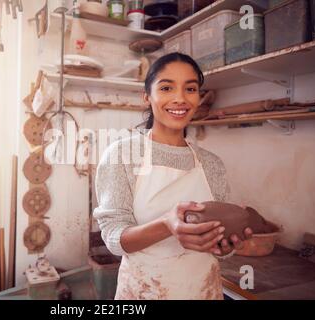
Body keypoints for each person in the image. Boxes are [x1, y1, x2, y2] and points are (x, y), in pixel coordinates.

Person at [93, 52, 252, 300]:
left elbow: (221, 246)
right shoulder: (122, 155)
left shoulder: (212, 164)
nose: (180, 99)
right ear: (147, 96)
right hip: (143, 291)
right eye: (166, 87)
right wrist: (167, 224)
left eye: (190, 89)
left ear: (199, 98)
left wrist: (225, 245)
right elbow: (114, 238)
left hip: (202, 291)